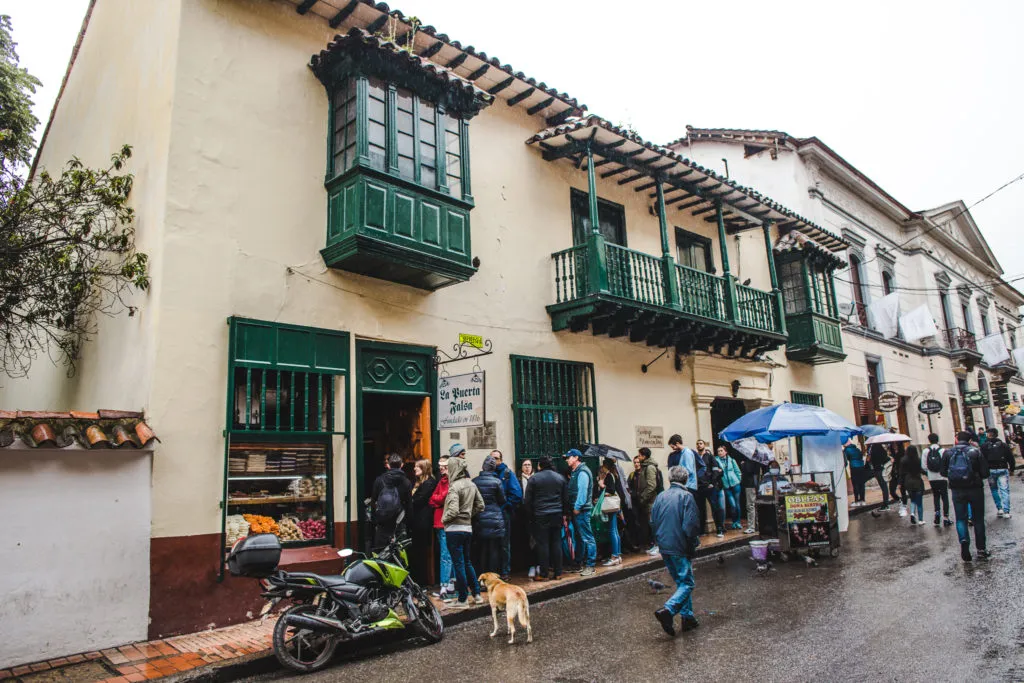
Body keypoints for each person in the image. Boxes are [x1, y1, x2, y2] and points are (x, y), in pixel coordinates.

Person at [650, 466, 701, 636]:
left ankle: (687, 617)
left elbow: (653, 521)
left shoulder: (660, 496)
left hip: (665, 545)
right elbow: (690, 526)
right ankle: (668, 609)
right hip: (679, 545)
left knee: (681, 582)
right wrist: (692, 544)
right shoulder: (686, 496)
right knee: (687, 583)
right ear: (685, 480)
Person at [442, 457, 485, 608]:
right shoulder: (471, 484)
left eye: (449, 468)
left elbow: (453, 510)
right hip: (467, 528)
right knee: (467, 562)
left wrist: (444, 519)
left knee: (458, 563)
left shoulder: (454, 487)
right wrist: (468, 514)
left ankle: (462, 599)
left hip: (454, 529)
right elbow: (481, 505)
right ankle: (477, 594)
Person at [941, 431, 991, 562]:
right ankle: (981, 549)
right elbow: (985, 473)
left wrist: (956, 477)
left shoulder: (948, 453)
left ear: (956, 439)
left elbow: (943, 472)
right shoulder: (975, 452)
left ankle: (964, 541)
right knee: (978, 519)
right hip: (975, 489)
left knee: (960, 519)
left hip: (957, 490)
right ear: (969, 441)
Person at [522, 456, 569, 582]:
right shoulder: (560, 478)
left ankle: (544, 573)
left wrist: (531, 515)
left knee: (543, 544)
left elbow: (527, 501)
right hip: (557, 514)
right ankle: (558, 572)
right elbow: (566, 499)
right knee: (556, 542)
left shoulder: (534, 479)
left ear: (540, 466)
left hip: (540, 515)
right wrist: (564, 513)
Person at [370, 453, 413, 551]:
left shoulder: (379, 480)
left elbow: (373, 501)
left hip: (382, 522)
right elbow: (409, 505)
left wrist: (375, 519)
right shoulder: (406, 482)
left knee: (381, 552)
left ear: (388, 465)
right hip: (399, 521)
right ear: (401, 465)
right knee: (399, 551)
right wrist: (409, 523)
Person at [472, 456, 507, 577]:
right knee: (494, 550)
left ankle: (481, 577)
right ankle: (493, 577)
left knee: (481, 550)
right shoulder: (497, 482)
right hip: (495, 519)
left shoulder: (475, 481)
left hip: (479, 519)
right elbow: (502, 500)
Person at [491, 450, 523, 581]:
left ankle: (505, 571)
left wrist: (505, 506)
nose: (494, 461)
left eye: (496, 458)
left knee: (504, 544)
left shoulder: (507, 473)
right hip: (492, 514)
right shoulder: (488, 474)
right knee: (493, 544)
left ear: (501, 460)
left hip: (504, 514)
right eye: (491, 458)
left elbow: (517, 494)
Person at [566, 448, 597, 576]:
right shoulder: (576, 472)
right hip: (579, 510)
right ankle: (579, 562)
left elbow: (582, 493)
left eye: (569, 457)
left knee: (587, 537)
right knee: (580, 537)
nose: (567, 460)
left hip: (582, 511)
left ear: (576, 458)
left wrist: (577, 508)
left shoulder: (582, 472)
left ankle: (591, 565)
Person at [428, 457, 455, 601]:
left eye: (444, 466)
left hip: (444, 521)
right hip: (440, 521)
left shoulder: (449, 482)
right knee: (447, 553)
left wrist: (437, 499)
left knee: (446, 555)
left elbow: (441, 498)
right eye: (440, 466)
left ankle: (445, 586)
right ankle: (450, 584)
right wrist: (437, 499)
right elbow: (432, 498)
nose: (441, 468)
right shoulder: (442, 481)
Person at [409, 459, 437, 585]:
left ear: (424, 469)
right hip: (416, 521)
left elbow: (418, 500)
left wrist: (409, 500)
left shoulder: (429, 483)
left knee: (420, 552)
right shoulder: (418, 482)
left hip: (422, 521)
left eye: (417, 467)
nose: (414, 468)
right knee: (416, 551)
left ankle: (422, 581)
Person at [981, 427, 1015, 518]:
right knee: (1004, 490)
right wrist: (1012, 469)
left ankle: (999, 509)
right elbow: (1010, 457)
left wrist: (983, 471)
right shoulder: (1003, 445)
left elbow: (982, 460)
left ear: (988, 435)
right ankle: (1006, 511)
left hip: (991, 470)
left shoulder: (984, 446)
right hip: (1002, 469)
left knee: (994, 489)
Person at [596, 457, 623, 566]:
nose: (602, 467)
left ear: (605, 466)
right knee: (615, 530)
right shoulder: (614, 474)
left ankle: (614, 556)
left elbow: (611, 491)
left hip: (610, 506)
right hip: (614, 506)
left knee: (612, 531)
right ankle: (618, 555)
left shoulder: (609, 476)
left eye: (603, 465)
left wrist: (601, 485)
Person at [696, 442, 725, 538]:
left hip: (710, 486)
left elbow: (716, 470)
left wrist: (712, 483)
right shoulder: (695, 457)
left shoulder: (710, 457)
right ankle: (701, 531)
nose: (699, 445)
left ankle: (719, 529)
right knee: (700, 509)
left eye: (700, 443)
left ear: (704, 445)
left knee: (715, 508)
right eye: (697, 444)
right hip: (699, 487)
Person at [922, 434, 952, 527]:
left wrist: (929, 473)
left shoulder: (925, 451)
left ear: (929, 440)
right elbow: (948, 464)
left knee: (936, 495)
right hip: (942, 477)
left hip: (932, 477)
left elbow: (923, 466)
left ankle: (937, 514)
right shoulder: (943, 450)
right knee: (944, 496)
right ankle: (946, 518)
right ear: (938, 440)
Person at [738, 446, 768, 534]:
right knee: (754, 505)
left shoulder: (751, 459)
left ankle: (752, 526)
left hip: (751, 484)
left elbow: (748, 469)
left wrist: (743, 464)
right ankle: (756, 525)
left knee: (750, 505)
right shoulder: (758, 458)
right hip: (754, 483)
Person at [637, 448, 661, 554]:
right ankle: (655, 544)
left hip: (651, 501)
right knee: (651, 524)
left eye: (639, 455)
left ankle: (658, 545)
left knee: (653, 523)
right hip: (648, 502)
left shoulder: (650, 467)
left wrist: (643, 497)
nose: (638, 457)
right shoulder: (645, 467)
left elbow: (651, 486)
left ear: (644, 456)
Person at [519, 459, 539, 577]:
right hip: (523, 514)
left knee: (537, 540)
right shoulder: (518, 480)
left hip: (536, 513)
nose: (527, 467)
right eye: (525, 465)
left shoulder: (536, 479)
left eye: (529, 465)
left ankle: (538, 564)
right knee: (527, 540)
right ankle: (530, 565)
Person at [716, 446, 743, 530]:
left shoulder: (732, 460)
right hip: (726, 485)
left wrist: (738, 480)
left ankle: (737, 522)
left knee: (737, 504)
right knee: (733, 505)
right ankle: (734, 520)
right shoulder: (716, 460)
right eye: (718, 451)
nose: (720, 452)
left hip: (735, 483)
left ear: (725, 452)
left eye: (721, 450)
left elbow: (738, 471)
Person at [900, 446, 926, 526]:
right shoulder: (917, 460)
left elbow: (901, 473)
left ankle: (912, 513)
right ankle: (921, 520)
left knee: (913, 499)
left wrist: (900, 483)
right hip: (917, 481)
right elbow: (921, 470)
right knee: (919, 502)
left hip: (908, 481)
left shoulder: (903, 460)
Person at [866, 440, 892, 510]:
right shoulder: (871, 448)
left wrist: (873, 459)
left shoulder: (877, 446)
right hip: (876, 469)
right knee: (883, 486)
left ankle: (886, 504)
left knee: (884, 486)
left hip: (879, 469)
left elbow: (884, 457)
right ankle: (885, 503)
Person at [844, 439, 867, 506]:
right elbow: (861, 456)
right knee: (861, 484)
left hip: (854, 467)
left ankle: (857, 501)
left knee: (855, 484)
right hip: (861, 467)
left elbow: (845, 460)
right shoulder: (857, 449)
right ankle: (863, 500)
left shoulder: (846, 450)